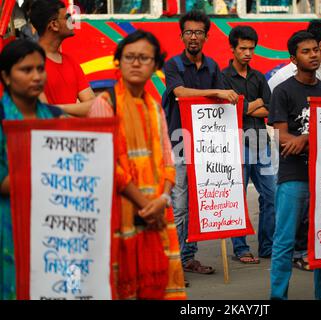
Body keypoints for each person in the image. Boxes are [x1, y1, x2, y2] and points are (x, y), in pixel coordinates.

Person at [88, 30, 186, 299]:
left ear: (155, 66)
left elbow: (168, 157)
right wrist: (146, 205)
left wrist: (163, 198)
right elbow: (106, 164)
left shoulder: (153, 106)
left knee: (156, 285)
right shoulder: (105, 104)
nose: (136, 63)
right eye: (129, 57)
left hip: (156, 211)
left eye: (144, 58)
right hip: (123, 213)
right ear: (118, 62)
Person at [163, 10, 238, 276]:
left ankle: (187, 258)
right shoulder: (173, 65)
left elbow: (223, 103)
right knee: (179, 205)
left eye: (198, 33)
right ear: (181, 36)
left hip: (206, 148)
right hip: (179, 145)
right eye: (188, 32)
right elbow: (180, 93)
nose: (193, 37)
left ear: (206, 36)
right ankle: (174, 260)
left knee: (198, 204)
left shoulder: (214, 67)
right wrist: (216, 91)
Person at [268, 30, 321, 300]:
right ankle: (277, 296)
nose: (313, 55)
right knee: (284, 242)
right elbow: (284, 139)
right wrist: (310, 139)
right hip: (293, 176)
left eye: (316, 50)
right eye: (305, 52)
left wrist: (306, 137)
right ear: (293, 59)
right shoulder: (283, 91)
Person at [0, 39, 64, 300]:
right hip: (8, 227)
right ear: (5, 76)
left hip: (55, 227)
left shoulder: (55, 118)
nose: (36, 77)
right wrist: (48, 178)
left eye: (40, 69)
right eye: (26, 70)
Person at [222, 25, 275, 264]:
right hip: (236, 144)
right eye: (243, 48)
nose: (248, 53)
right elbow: (229, 111)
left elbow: (270, 109)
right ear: (232, 48)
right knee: (237, 196)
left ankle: (267, 246)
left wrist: (244, 106)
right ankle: (241, 249)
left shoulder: (258, 76)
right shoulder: (222, 77)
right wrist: (253, 105)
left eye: (251, 49)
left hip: (261, 142)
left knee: (271, 195)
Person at [30, 0, 95, 116]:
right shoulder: (30, 64)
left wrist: (57, 109)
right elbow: (44, 114)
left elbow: (93, 106)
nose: (73, 21)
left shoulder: (71, 61)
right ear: (54, 25)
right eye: (67, 17)